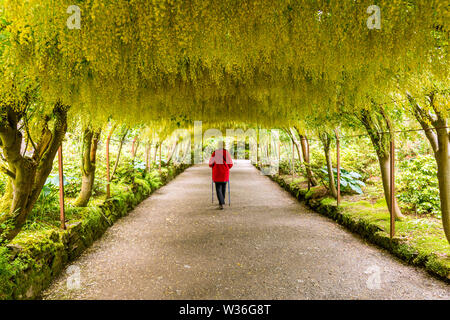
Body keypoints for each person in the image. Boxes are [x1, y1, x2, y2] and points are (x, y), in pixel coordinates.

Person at [209, 143, 233, 209]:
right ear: (224, 146)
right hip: (225, 172)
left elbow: (210, 164)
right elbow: (230, 164)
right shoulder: (226, 152)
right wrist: (227, 167)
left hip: (217, 172)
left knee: (218, 188)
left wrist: (213, 166)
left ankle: (221, 203)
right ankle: (222, 202)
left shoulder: (215, 153)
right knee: (223, 187)